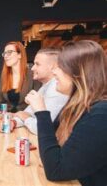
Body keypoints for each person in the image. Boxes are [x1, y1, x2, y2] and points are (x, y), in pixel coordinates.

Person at [25, 40, 107, 186]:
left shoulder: (100, 114)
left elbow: (55, 170)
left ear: (79, 73)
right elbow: (54, 150)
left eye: (60, 67)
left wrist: (42, 113)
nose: (54, 71)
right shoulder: (76, 105)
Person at [11, 48, 69, 135]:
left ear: (53, 67)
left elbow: (42, 128)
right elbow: (26, 113)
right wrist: (14, 122)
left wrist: (26, 119)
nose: (32, 68)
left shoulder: (57, 89)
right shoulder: (46, 86)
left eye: (37, 64)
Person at [0, 41, 40, 113]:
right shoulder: (4, 76)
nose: (5, 56)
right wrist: (2, 113)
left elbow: (38, 103)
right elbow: (0, 102)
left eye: (9, 52)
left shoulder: (33, 75)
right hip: (8, 119)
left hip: (28, 119)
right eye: (4, 53)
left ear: (19, 55)